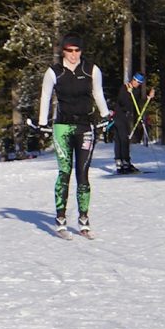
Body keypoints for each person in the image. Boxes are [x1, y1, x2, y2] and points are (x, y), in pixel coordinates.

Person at [38, 33, 112, 235]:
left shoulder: (91, 70)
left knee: (83, 173)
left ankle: (83, 217)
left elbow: (98, 93)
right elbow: (45, 96)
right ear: (63, 51)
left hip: (85, 127)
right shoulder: (54, 72)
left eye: (77, 50)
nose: (73, 54)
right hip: (62, 127)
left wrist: (105, 115)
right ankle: (61, 216)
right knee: (64, 172)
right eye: (69, 50)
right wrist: (43, 123)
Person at [113, 72, 153, 174]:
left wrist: (148, 98)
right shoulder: (124, 88)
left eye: (139, 83)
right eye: (136, 81)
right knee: (122, 139)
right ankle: (123, 163)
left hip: (126, 117)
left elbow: (138, 103)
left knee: (122, 139)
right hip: (119, 116)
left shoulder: (135, 91)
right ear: (133, 79)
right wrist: (128, 93)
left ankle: (124, 163)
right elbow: (121, 101)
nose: (137, 84)